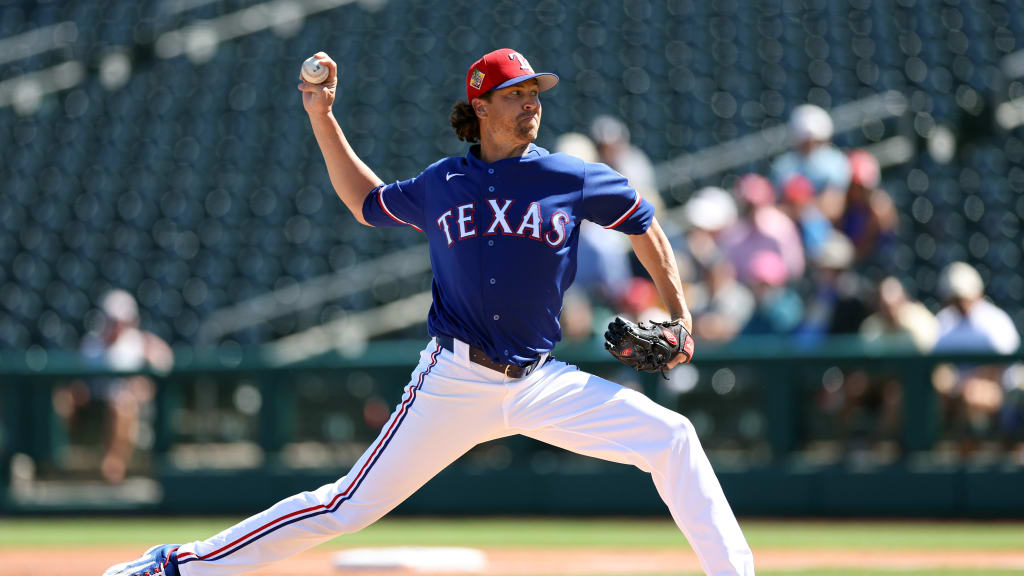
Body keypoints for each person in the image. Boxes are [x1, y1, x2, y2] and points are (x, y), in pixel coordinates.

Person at [104, 49, 754, 576]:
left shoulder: (569, 176)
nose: (532, 103)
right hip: (454, 379)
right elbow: (365, 201)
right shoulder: (444, 182)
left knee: (672, 439)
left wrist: (681, 318)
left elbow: (644, 223)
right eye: (516, 94)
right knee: (345, 506)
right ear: (480, 105)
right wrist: (321, 116)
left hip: (540, 379)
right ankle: (175, 568)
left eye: (535, 93)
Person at [53, 289, 173, 484]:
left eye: (122, 321)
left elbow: (164, 360)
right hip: (94, 401)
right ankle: (56, 457)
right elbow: (79, 382)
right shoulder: (91, 342)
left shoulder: (138, 342)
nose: (117, 326)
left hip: (124, 404)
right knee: (63, 400)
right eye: (113, 320)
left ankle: (113, 466)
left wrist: (142, 386)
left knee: (122, 404)